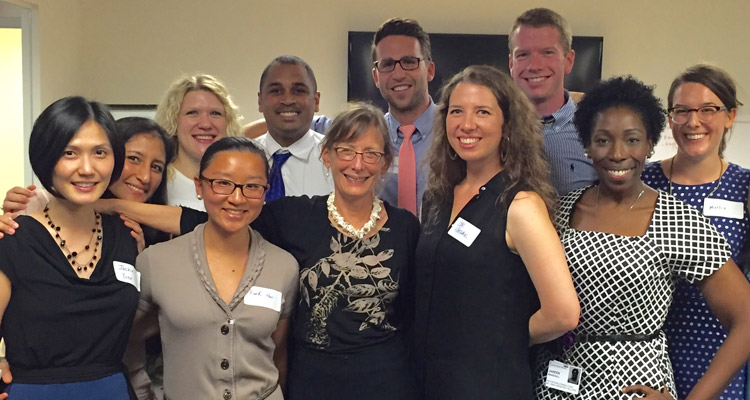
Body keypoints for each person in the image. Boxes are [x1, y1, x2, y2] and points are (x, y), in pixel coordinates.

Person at [94, 102, 420, 400]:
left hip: (386, 380)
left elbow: (410, 313)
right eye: (346, 150)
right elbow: (211, 216)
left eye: (371, 154)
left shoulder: (406, 227)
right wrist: (107, 204)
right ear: (327, 155)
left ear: (385, 162)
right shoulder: (294, 216)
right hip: (314, 382)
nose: (358, 164)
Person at [534, 76, 750, 400]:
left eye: (632, 140)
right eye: (603, 140)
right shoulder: (562, 210)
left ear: (650, 143)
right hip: (555, 385)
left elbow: (745, 316)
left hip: (633, 388)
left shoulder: (677, 220)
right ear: (587, 146)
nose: (618, 154)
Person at [414, 65, 580, 399]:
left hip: (489, 383)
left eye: (483, 112)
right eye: (456, 111)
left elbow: (563, 313)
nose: (467, 124)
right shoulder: (438, 196)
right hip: (430, 380)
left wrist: (500, 338)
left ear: (507, 125)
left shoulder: (521, 206)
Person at [126, 137, 298, 400]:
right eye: (223, 183)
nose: (237, 198)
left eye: (252, 186)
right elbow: (128, 339)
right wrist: (142, 389)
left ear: (265, 192)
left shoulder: (284, 266)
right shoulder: (156, 261)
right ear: (200, 185)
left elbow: (278, 352)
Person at [0, 96, 139, 398]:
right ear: (46, 157)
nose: (87, 168)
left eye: (100, 152)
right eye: (69, 153)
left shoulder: (126, 236)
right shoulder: (12, 238)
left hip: (111, 390)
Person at [641, 64, 750, 400]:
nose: (693, 122)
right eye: (682, 110)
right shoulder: (642, 182)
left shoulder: (745, 187)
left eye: (708, 110)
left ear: (730, 116)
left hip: (719, 356)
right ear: (669, 117)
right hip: (646, 354)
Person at [2, 117, 175, 246]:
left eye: (156, 167)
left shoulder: (158, 232)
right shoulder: (42, 203)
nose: (145, 177)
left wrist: (140, 260)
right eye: (134, 159)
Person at [509, 7, 596, 194]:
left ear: (569, 60)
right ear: (511, 63)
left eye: (547, 53)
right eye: (523, 55)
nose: (534, 66)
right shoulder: (491, 129)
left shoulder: (596, 131)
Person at [156, 73, 242, 210]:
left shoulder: (243, 184)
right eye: (192, 113)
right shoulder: (156, 182)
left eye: (215, 113)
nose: (205, 124)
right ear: (173, 121)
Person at [255, 55, 333, 201]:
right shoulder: (243, 158)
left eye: (298, 91)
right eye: (276, 91)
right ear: (260, 100)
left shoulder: (338, 161)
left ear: (316, 101)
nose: (287, 100)